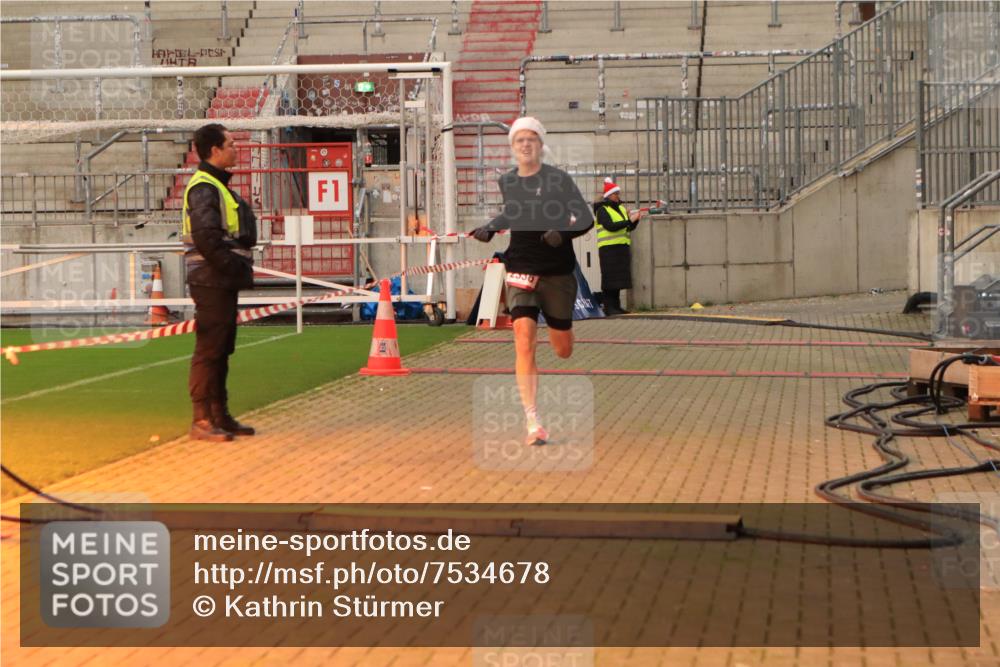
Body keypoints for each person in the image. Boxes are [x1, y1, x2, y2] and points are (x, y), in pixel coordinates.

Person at [471, 117, 593, 446]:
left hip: (557, 271)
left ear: (541, 144)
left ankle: (562, 331)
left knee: (562, 348)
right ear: (513, 147)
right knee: (523, 337)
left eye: (531, 139)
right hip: (521, 267)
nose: (525, 145)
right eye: (519, 140)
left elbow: (585, 217)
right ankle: (532, 420)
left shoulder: (558, 180)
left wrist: (562, 232)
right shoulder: (508, 181)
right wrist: (492, 226)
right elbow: (514, 213)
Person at [182, 123, 258, 442]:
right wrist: (231, 267)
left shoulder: (216, 185)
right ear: (214, 150)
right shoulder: (204, 187)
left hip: (220, 279)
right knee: (210, 349)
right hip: (212, 279)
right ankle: (202, 420)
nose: (235, 148)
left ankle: (219, 415)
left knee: (221, 349)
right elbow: (207, 238)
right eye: (230, 143)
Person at [594, 177, 643, 315]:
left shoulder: (621, 208)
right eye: (615, 194)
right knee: (610, 279)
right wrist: (628, 221)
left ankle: (617, 306)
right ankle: (609, 307)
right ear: (608, 195)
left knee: (618, 280)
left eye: (618, 194)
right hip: (608, 249)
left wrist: (635, 221)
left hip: (620, 248)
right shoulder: (602, 210)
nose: (618, 196)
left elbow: (627, 228)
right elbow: (611, 226)